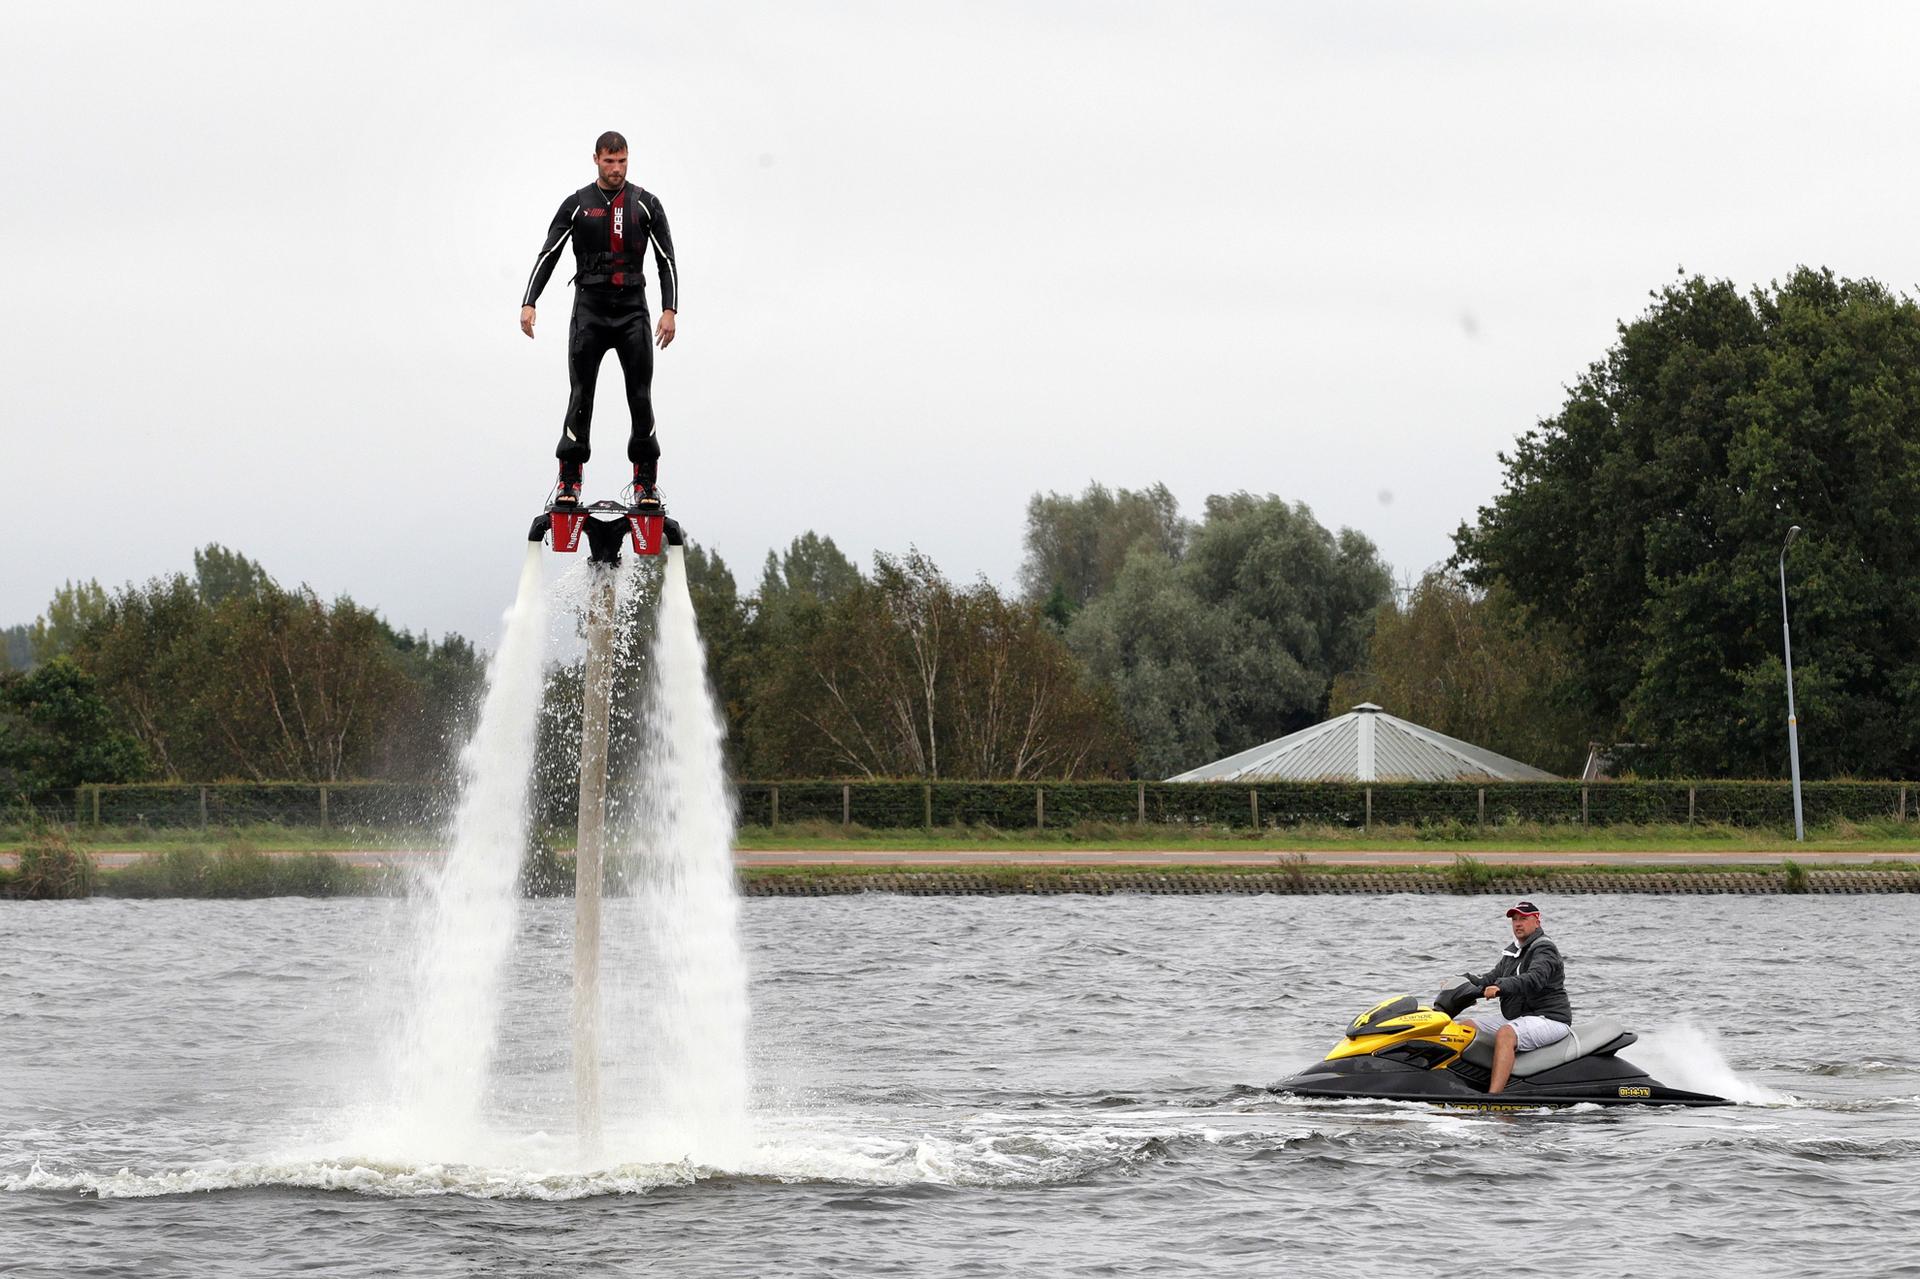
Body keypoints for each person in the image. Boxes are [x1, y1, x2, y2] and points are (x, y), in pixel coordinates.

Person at [520, 130, 679, 510]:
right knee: (581, 395)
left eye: (622, 161)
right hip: (589, 310)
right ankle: (569, 481)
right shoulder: (577, 204)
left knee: (640, 396)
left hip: (632, 312)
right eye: (609, 161)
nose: (616, 169)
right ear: (596, 160)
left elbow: (666, 260)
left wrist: (670, 309)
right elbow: (549, 254)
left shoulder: (646, 204)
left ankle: (644, 484)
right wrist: (530, 302)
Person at [1457, 899, 1572, 1095]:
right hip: (1520, 1016)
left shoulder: (1545, 949)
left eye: (1523, 919)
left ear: (1537, 921)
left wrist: (1499, 987)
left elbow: (1534, 979)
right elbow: (1489, 979)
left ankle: (1493, 1097)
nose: (1518, 923)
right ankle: (1463, 1084)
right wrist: (1462, 981)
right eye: (1514, 920)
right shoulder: (1513, 952)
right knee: (1466, 1028)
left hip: (1549, 1018)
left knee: (1506, 1034)